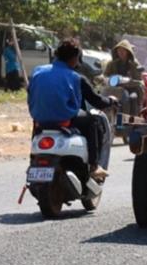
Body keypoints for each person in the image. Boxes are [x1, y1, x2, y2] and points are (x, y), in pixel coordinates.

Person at [28, 38, 115, 180]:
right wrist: (111, 101)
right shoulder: (76, 77)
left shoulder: (37, 71)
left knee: (37, 123)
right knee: (93, 122)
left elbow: (30, 93)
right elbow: (96, 101)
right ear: (74, 58)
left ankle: (33, 159)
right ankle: (94, 166)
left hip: (40, 119)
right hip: (66, 119)